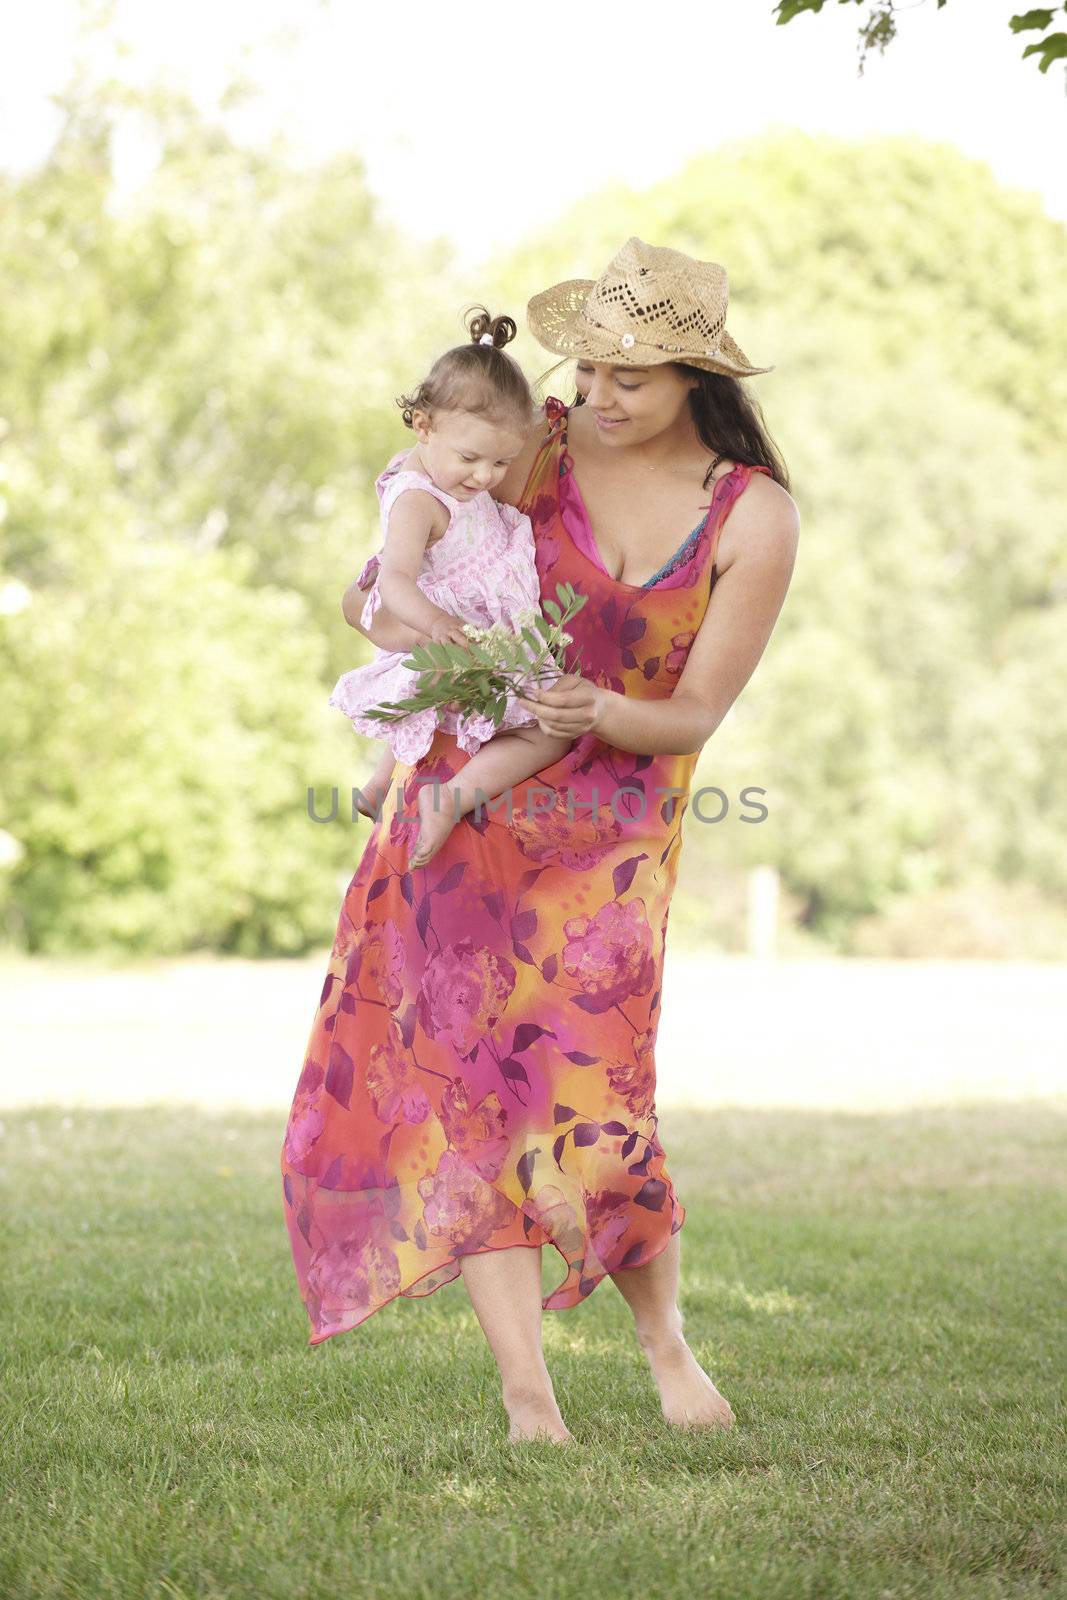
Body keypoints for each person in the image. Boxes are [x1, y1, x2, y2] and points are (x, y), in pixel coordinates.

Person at [281, 237, 800, 1445]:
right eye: (588, 368)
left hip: (611, 838)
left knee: (597, 1105)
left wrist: (597, 711)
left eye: (629, 375)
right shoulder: (537, 451)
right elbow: (402, 551)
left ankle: (665, 1346)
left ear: (693, 378)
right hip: (469, 808)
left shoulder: (750, 514)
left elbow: (694, 713)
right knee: (470, 1098)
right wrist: (379, 598)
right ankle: (529, 1400)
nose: (595, 395)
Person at [329, 307, 572, 869]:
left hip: (476, 630)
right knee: (547, 730)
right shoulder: (419, 499)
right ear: (423, 426)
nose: (485, 478)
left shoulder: (445, 473)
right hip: (454, 637)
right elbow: (392, 581)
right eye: (470, 459)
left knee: (477, 716)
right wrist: (437, 625)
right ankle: (451, 798)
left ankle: (377, 784)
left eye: (501, 462)